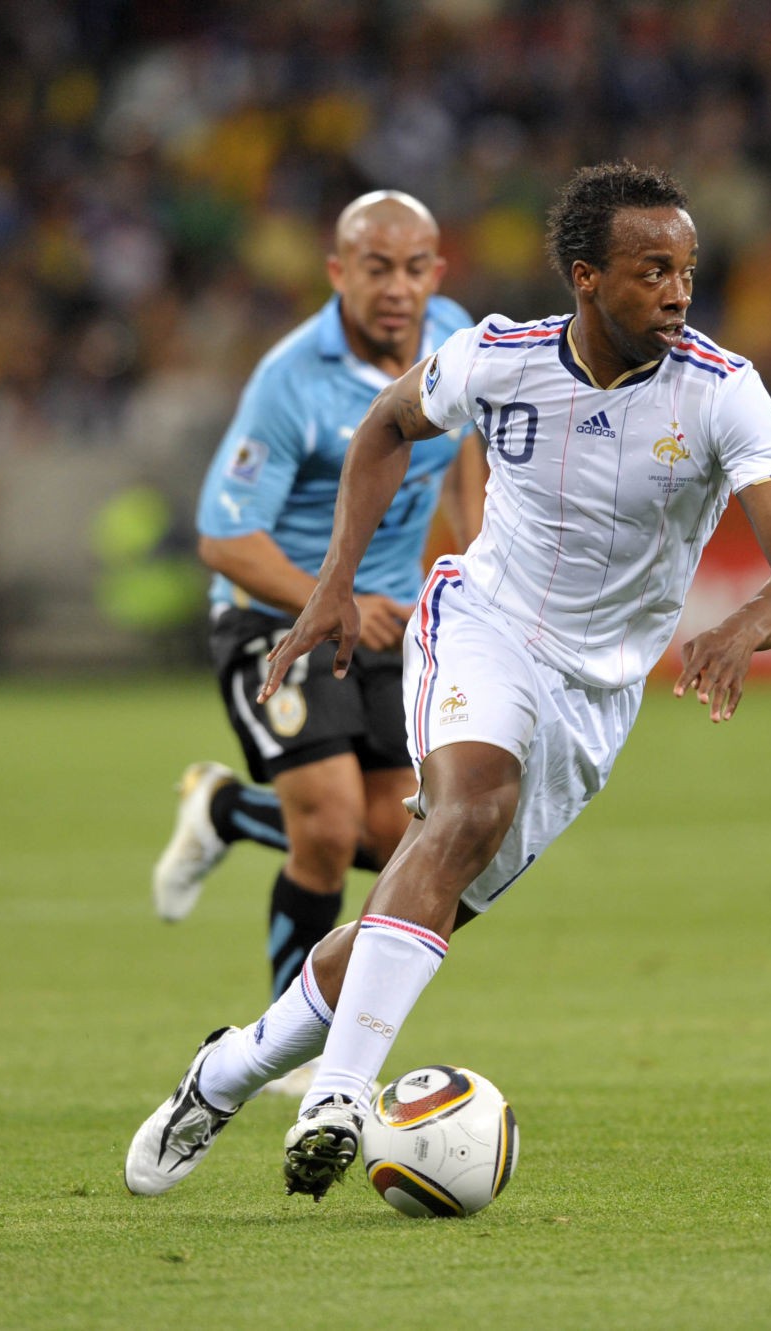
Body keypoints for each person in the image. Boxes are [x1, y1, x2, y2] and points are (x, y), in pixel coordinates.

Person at [125, 162, 771, 1201]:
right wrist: (331, 583)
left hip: (597, 695)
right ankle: (337, 1098)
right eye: (652, 272)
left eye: (687, 271)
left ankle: (225, 1069)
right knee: (465, 808)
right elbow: (385, 426)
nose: (678, 293)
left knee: (423, 903)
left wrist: (743, 625)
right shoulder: (498, 357)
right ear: (586, 277)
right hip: (483, 625)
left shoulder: (722, 389)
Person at [148, 192, 486, 1087]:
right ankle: (282, 1046)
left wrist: (480, 552)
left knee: (396, 838)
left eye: (413, 268)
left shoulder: (454, 339)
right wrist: (332, 597)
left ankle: (226, 811)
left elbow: (466, 446)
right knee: (329, 824)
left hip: (386, 618)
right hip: (279, 616)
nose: (396, 287)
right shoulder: (289, 380)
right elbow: (225, 537)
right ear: (338, 272)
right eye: (376, 268)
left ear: (437, 274)